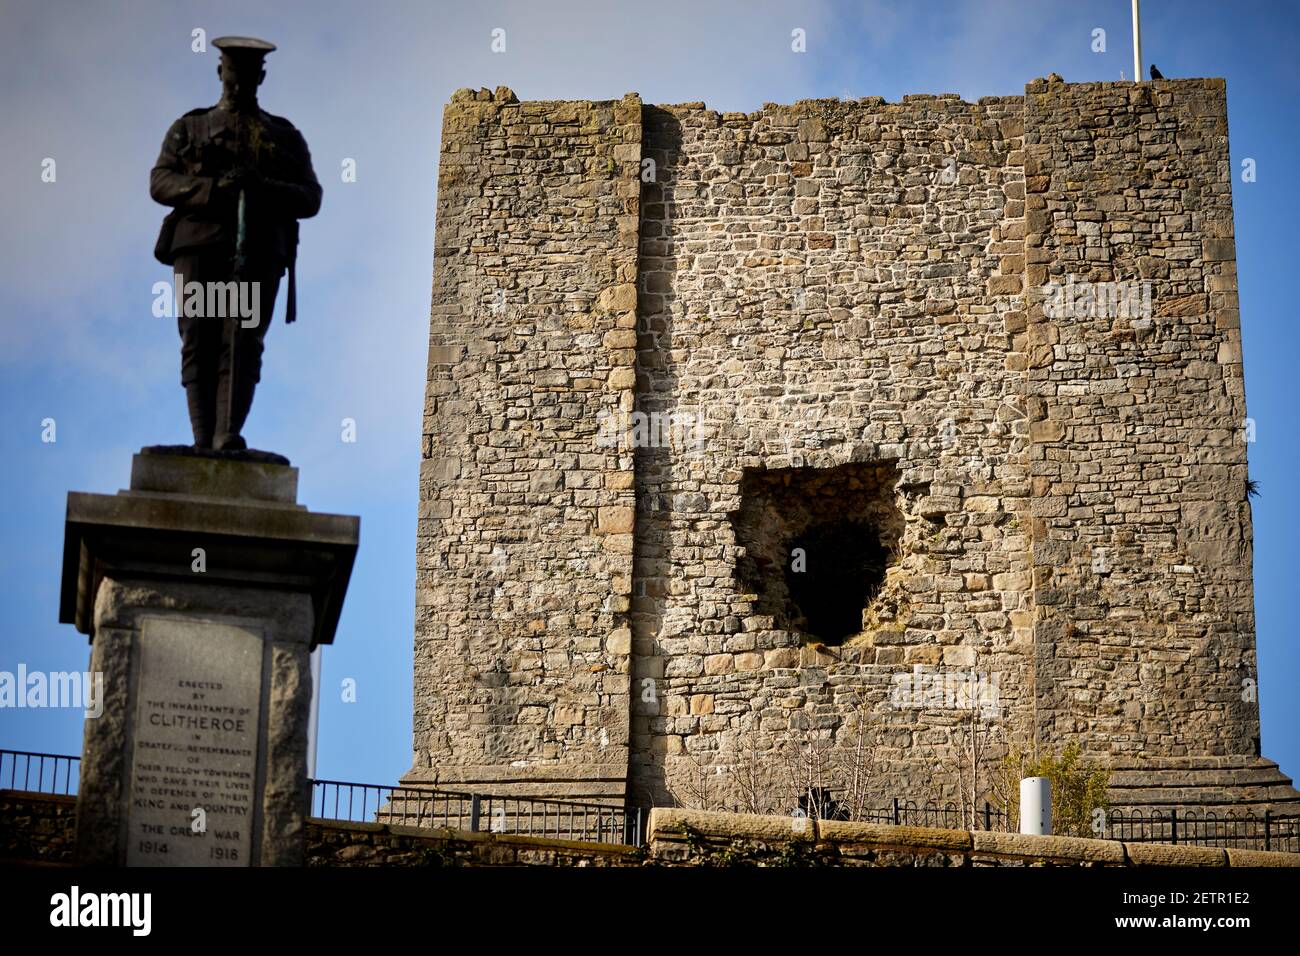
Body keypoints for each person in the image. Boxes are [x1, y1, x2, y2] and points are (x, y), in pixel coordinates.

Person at [151, 36, 322, 450]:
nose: (239, 84)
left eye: (247, 77)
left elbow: (309, 197)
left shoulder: (283, 136)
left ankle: (227, 436)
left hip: (257, 251)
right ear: (219, 73)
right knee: (198, 339)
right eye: (232, 76)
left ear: (260, 77)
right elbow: (161, 181)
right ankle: (201, 440)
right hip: (197, 247)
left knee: (242, 341)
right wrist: (213, 190)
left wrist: (262, 187)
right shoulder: (189, 128)